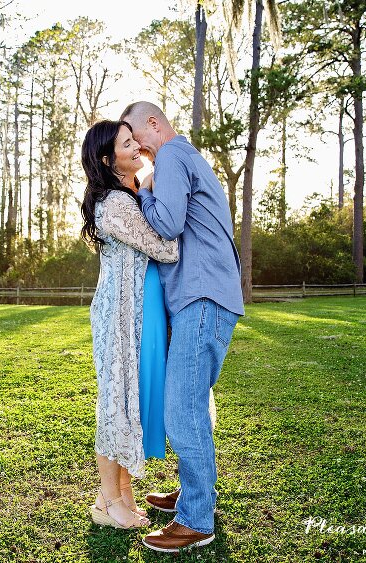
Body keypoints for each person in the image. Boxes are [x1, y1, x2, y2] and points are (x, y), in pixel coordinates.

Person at [119, 101, 244, 552]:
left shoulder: (171, 156)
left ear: (154, 123)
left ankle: (196, 519)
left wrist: (140, 190)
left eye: (134, 133)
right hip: (204, 297)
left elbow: (168, 224)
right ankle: (196, 494)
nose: (134, 145)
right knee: (189, 405)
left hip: (202, 296)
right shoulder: (187, 157)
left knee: (181, 408)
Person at [80, 119, 178, 529]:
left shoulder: (130, 193)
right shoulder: (116, 204)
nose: (137, 144)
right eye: (127, 142)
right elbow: (165, 247)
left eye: (134, 138)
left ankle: (124, 497)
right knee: (115, 404)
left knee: (129, 403)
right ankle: (106, 501)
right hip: (119, 314)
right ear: (109, 159)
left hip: (137, 310)